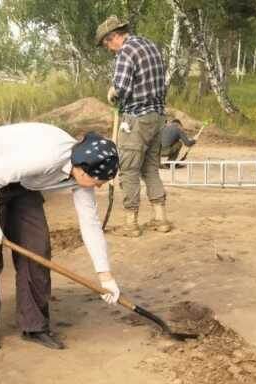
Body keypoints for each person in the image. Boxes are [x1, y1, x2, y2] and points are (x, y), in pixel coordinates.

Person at [0, 122, 121, 351]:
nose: (99, 187)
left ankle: (35, 326)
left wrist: (106, 276)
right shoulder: (47, 158)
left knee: (36, 248)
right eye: (98, 181)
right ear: (83, 170)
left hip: (23, 180)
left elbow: (90, 224)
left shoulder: (81, 172)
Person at [96, 15, 171, 236]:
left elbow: (121, 91)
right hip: (157, 118)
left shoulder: (125, 53)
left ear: (114, 37)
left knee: (128, 171)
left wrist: (112, 94)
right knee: (150, 169)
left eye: (107, 43)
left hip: (136, 121)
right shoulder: (150, 46)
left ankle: (131, 223)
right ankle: (161, 219)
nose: (109, 49)